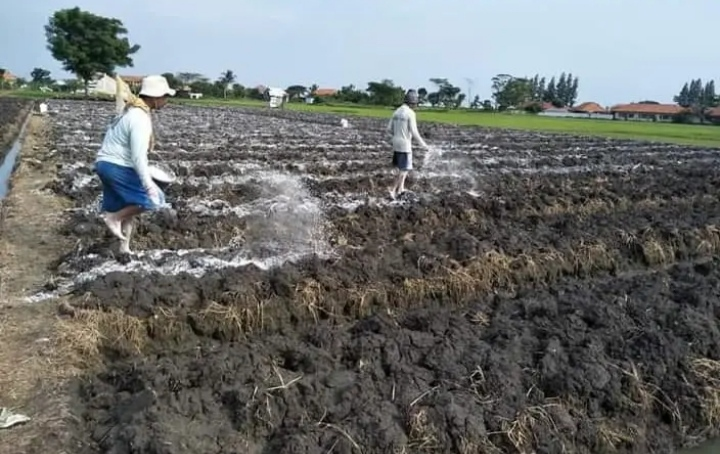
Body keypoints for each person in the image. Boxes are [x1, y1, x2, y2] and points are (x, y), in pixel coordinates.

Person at [94, 75, 176, 254]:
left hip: (105, 165)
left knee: (127, 207)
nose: (166, 101)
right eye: (165, 96)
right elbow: (138, 156)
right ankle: (112, 218)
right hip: (117, 166)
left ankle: (124, 249)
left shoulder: (129, 111)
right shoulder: (139, 118)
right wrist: (149, 186)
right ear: (155, 97)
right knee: (154, 200)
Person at [386, 89, 429, 199]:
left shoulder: (396, 112)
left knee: (402, 168)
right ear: (413, 102)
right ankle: (392, 189)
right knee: (404, 169)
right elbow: (414, 132)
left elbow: (388, 129)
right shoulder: (410, 113)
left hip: (395, 143)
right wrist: (424, 145)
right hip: (405, 144)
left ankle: (401, 189)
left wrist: (395, 137)